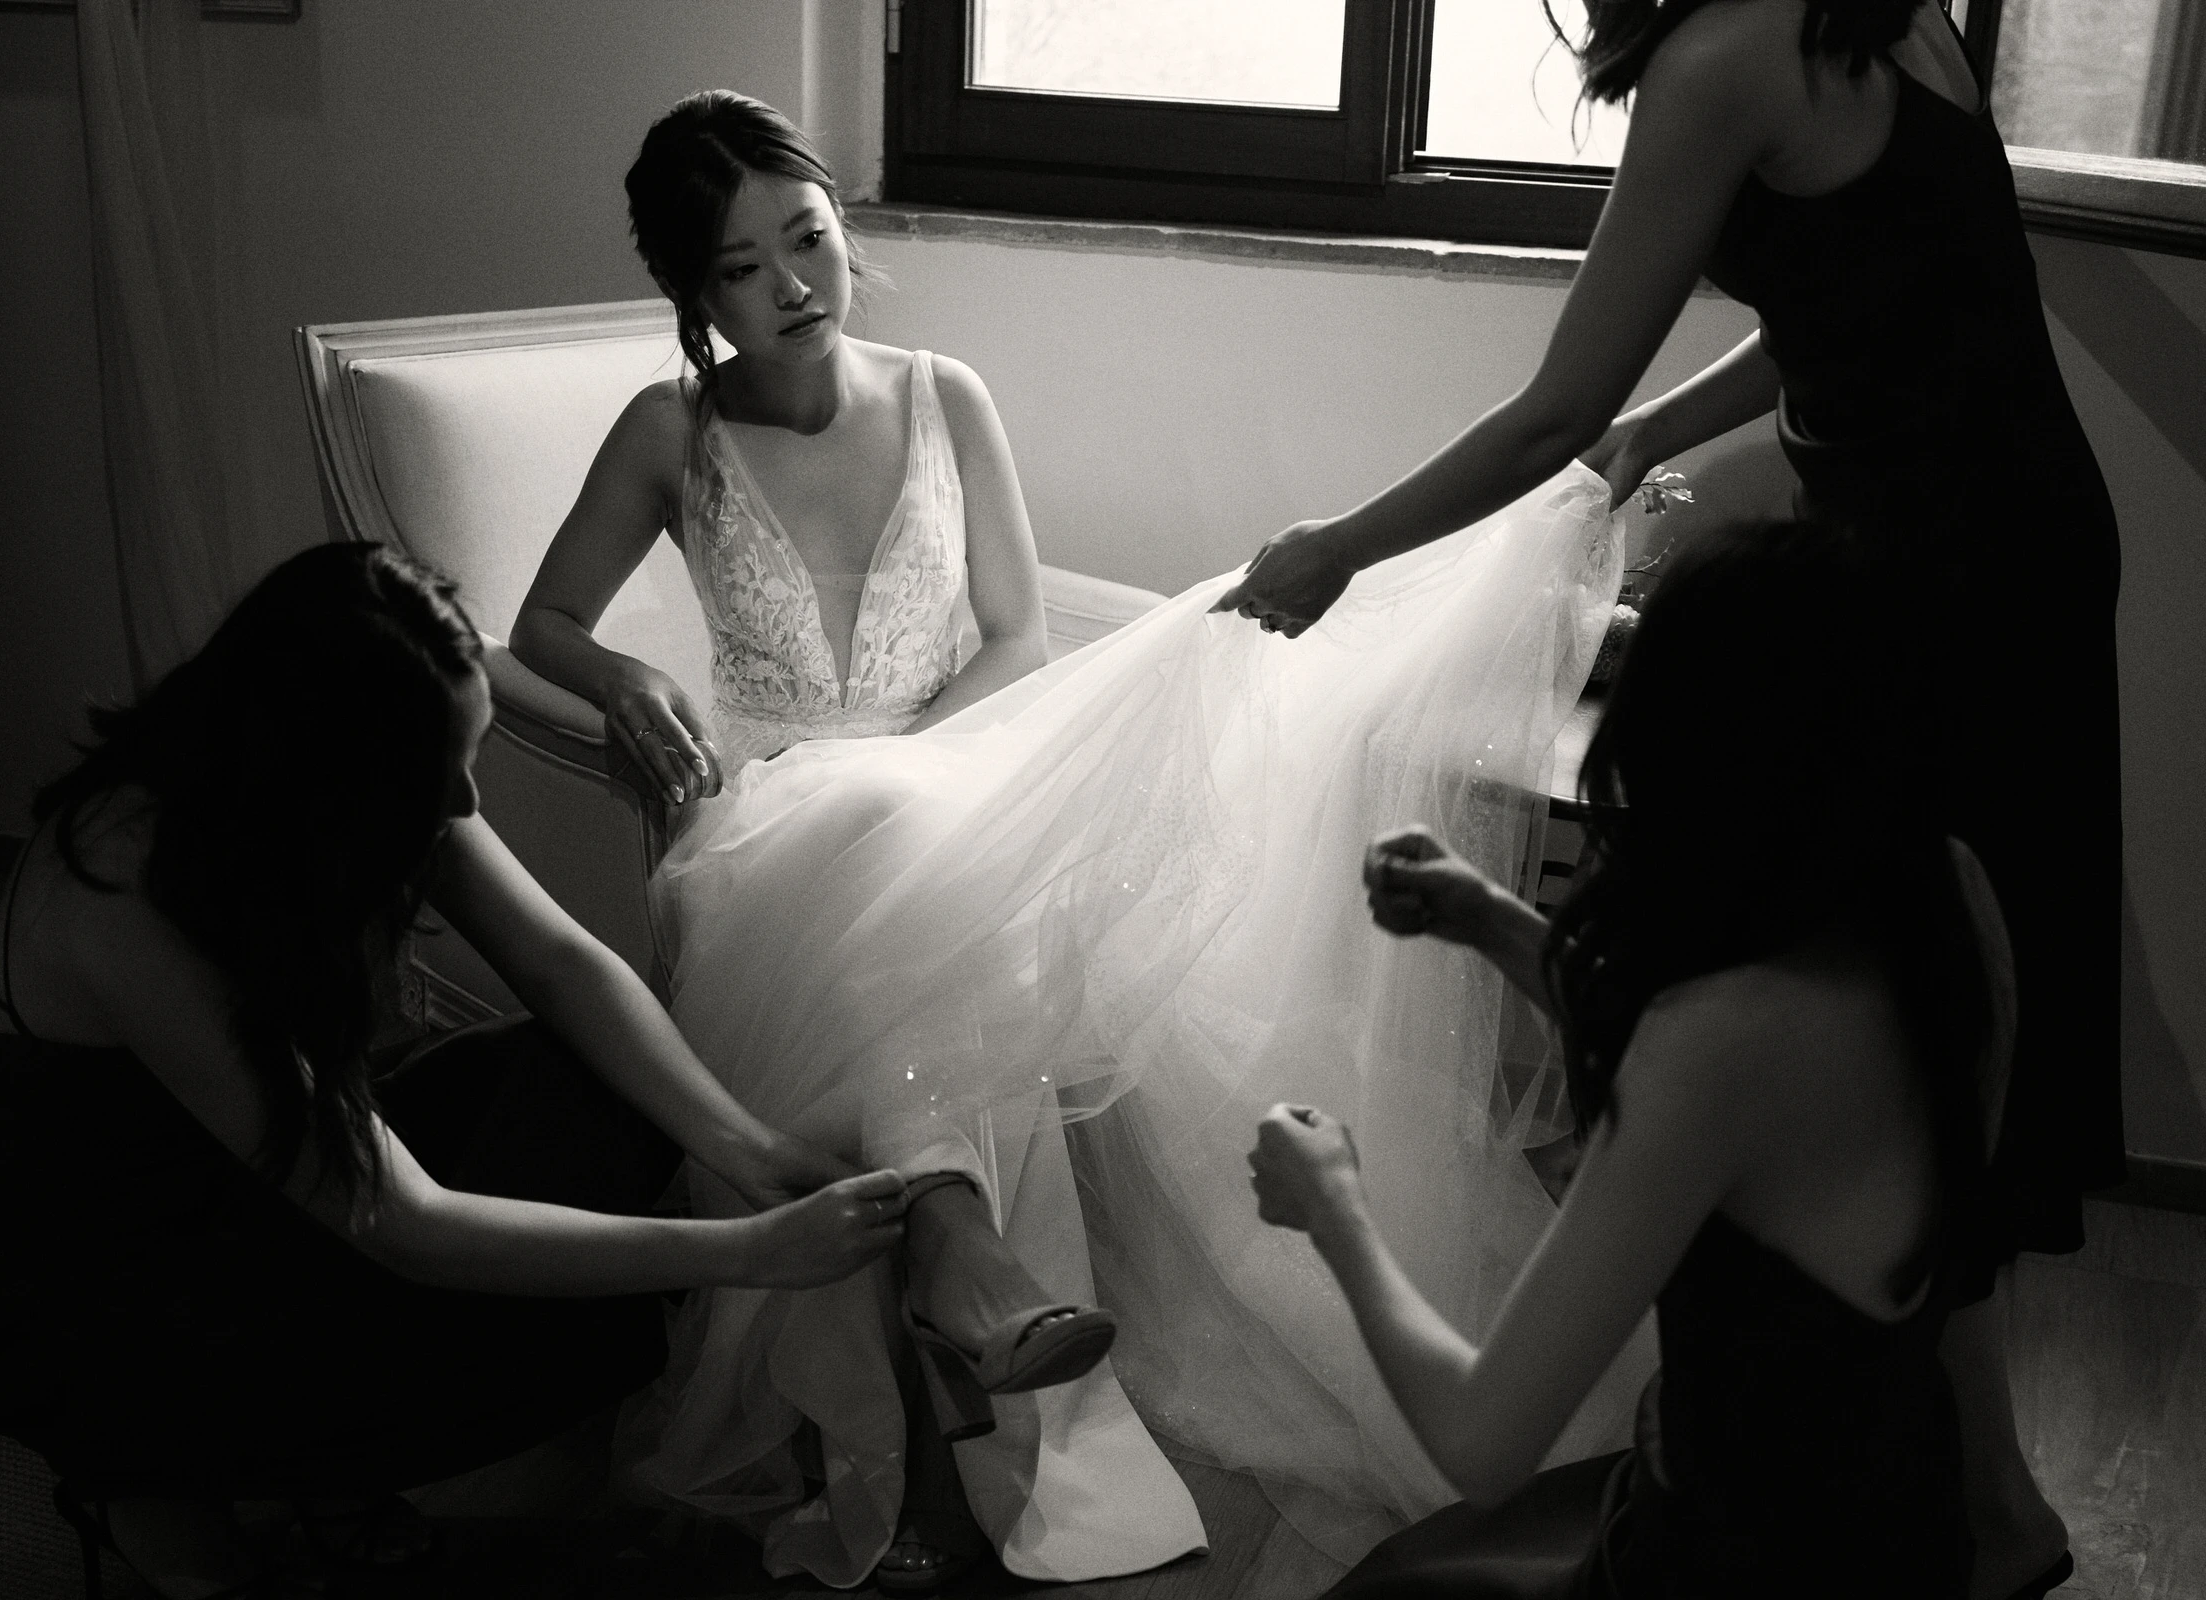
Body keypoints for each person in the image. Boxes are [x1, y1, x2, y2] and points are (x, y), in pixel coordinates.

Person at [516, 91, 1649, 1592]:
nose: (795, 286)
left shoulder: (944, 393)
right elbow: (533, 628)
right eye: (744, 268)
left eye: (812, 240)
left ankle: (940, 1294)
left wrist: (925, 778)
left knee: (926, 876)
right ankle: (958, 1283)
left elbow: (1011, 637)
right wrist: (625, 676)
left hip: (952, 784)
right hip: (764, 822)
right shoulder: (670, 434)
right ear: (693, 295)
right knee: (897, 869)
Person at [1215, 6, 2111, 1593]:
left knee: (1873, 993)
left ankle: (1973, 1497)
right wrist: (1663, 429)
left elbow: (1554, 404)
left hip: (1928, 575)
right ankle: (1991, 1499)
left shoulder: (1724, 57)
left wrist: (1343, 544)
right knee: (1928, 1006)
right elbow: (1863, 296)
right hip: (2018, 542)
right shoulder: (1887, 14)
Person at [0, 542, 907, 1600]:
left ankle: (303, 1461)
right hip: (97, 1286)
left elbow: (563, 961)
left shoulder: (364, 767)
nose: (464, 794)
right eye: (442, 766)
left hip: (260, 1191)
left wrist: (741, 1142)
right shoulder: (128, 881)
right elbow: (399, 1220)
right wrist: (746, 1249)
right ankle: (147, 1478)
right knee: (526, 1312)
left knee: (602, 1096)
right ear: (323, 759)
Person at [1250, 519, 2010, 1598]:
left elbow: (1484, 1441)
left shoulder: (1724, 1038)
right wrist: (1501, 925)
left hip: (1736, 1560)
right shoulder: (1948, 896)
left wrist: (1334, 1205)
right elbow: (1772, 1120)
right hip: (1900, 1525)